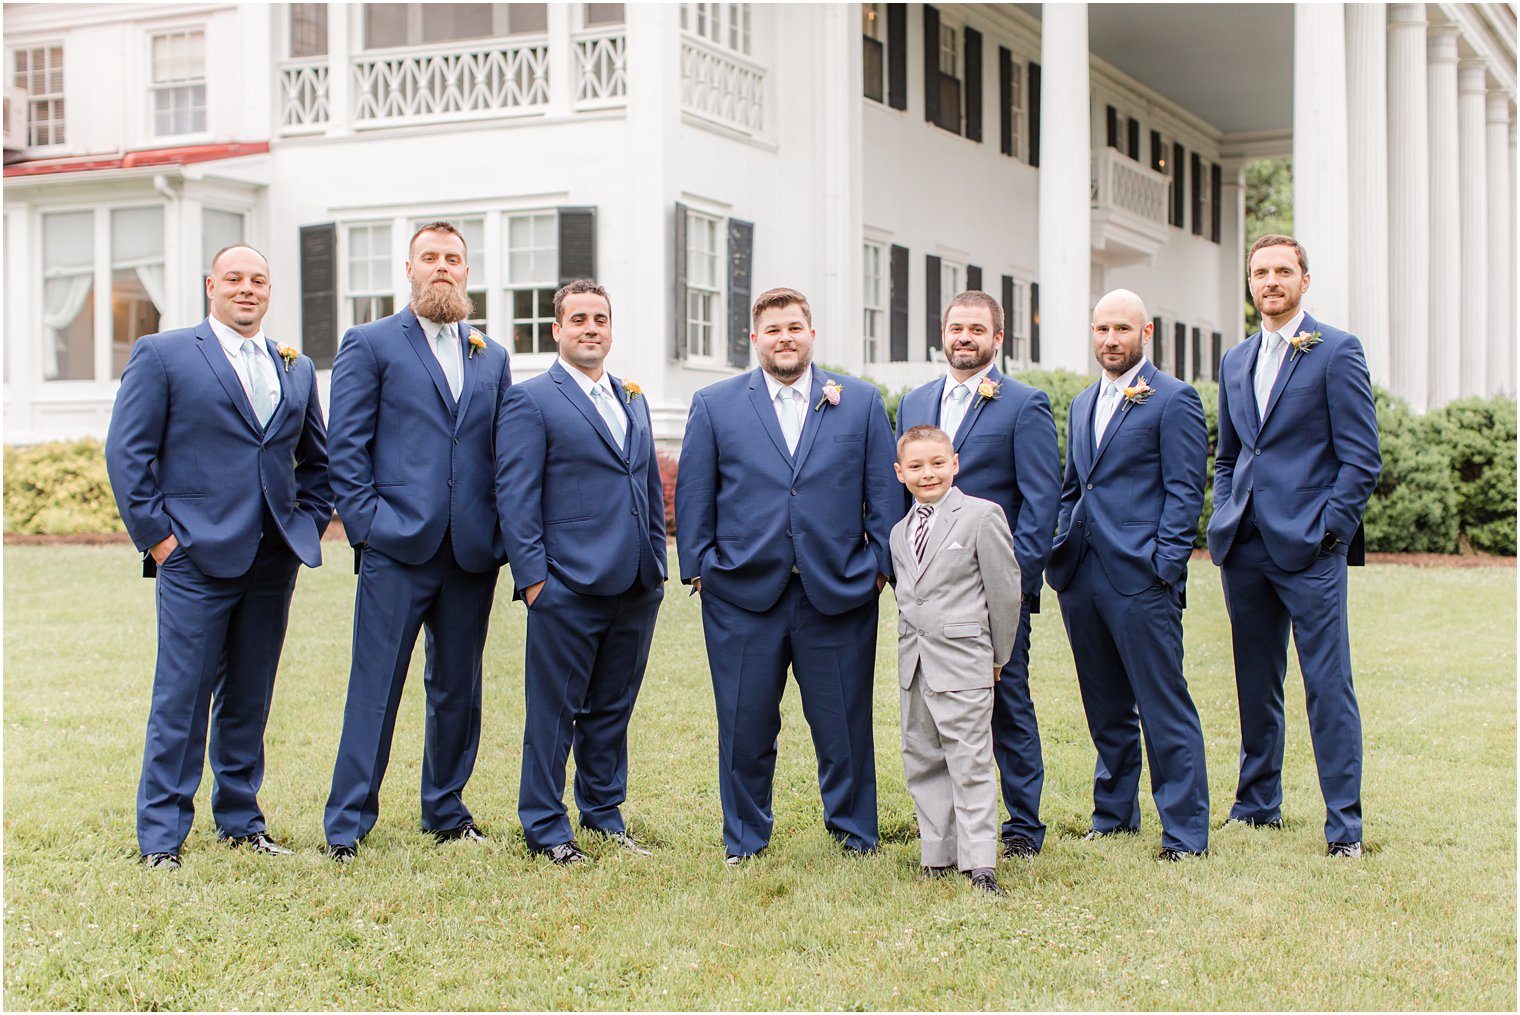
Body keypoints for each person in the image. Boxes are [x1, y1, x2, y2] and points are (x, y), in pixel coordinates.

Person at [105, 244, 332, 870]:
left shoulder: (296, 366)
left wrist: (303, 525)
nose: (247, 289)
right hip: (194, 559)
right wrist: (161, 541)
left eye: (258, 280)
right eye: (234, 278)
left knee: (250, 697)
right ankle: (161, 839)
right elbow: (128, 456)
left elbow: (319, 463)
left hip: (271, 561)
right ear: (212, 285)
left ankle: (240, 819)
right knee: (181, 696)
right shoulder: (165, 354)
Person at [675, 287, 897, 864]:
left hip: (840, 592)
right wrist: (700, 570)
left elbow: (884, 497)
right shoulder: (715, 404)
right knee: (745, 725)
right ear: (755, 339)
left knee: (845, 724)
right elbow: (697, 495)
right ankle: (746, 839)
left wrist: (879, 570)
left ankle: (854, 832)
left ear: (812, 333)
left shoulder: (861, 403)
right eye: (773, 330)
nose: (785, 338)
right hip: (742, 595)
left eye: (794, 327)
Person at [323, 222, 511, 862]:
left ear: (467, 271)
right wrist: (369, 528)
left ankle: (446, 808)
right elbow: (343, 449)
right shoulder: (370, 343)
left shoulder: (492, 354)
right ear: (408, 269)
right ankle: (348, 822)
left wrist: (500, 532)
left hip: (470, 553)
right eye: (429, 258)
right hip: (396, 548)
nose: (442, 268)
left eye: (453, 259)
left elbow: (499, 451)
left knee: (458, 686)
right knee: (375, 685)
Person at [1208, 234, 1381, 859]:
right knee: (1255, 681)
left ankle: (1345, 829)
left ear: (1304, 280)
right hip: (1245, 544)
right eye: (1260, 272)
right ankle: (1257, 806)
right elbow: (1228, 454)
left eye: (1283, 270)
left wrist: (1330, 531)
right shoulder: (1235, 359)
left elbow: (1362, 457)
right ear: (1250, 283)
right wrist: (1226, 509)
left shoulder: (1337, 351)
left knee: (1327, 684)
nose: (1270, 280)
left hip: (1311, 549)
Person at [496, 280, 666, 865]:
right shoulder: (532, 399)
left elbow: (644, 483)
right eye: (579, 320)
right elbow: (515, 496)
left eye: (600, 319)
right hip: (565, 585)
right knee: (554, 711)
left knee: (612, 709)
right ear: (557, 331)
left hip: (636, 585)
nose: (591, 328)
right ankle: (545, 826)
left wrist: (657, 564)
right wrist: (536, 581)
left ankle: (603, 813)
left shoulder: (632, 396)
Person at [894, 290, 1061, 859]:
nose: (964, 338)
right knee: (931, 716)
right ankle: (948, 831)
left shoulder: (1023, 404)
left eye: (976, 329)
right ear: (943, 334)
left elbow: (1041, 503)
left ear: (998, 337)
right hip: (931, 597)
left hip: (991, 592)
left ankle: (1023, 826)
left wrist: (1015, 584)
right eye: (955, 328)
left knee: (1008, 704)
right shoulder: (916, 401)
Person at [1046, 288, 1210, 861]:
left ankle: (1186, 833)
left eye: (1122, 329)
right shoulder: (1081, 402)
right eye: (1101, 330)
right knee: (1105, 705)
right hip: (1083, 577)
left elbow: (1186, 491)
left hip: (1143, 578)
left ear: (1146, 334)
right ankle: (1113, 815)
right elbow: (1074, 485)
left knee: (1163, 705)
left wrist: (1164, 565)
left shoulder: (1174, 399)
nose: (1110, 340)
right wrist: (1062, 541)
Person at [890, 425, 1020, 895]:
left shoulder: (981, 517)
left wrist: (997, 656)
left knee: (970, 759)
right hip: (916, 663)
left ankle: (980, 861)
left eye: (938, 463)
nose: (929, 474)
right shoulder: (899, 531)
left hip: (965, 660)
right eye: (918, 466)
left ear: (955, 464)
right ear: (901, 473)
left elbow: (1005, 594)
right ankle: (937, 852)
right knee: (923, 758)